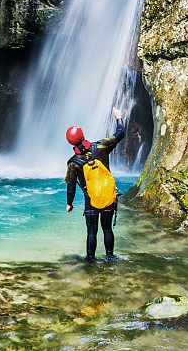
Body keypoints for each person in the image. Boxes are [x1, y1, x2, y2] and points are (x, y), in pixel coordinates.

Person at [64, 107, 125, 261]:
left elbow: (71, 185)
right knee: (107, 228)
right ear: (82, 135)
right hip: (108, 196)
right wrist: (118, 117)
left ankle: (90, 259)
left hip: (90, 200)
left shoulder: (73, 163)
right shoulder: (101, 146)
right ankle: (110, 258)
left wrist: (69, 204)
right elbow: (120, 134)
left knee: (92, 231)